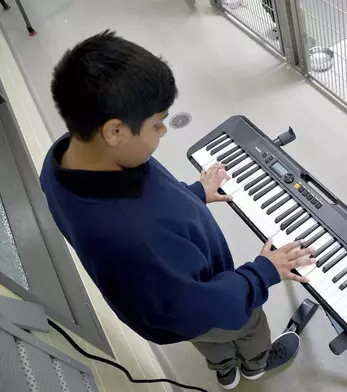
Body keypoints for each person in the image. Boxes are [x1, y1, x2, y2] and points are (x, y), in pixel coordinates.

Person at [40, 30, 315, 390]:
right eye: (157, 124)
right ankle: (254, 364)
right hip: (203, 299)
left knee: (209, 341)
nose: (163, 132)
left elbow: (150, 206)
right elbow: (192, 306)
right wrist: (262, 273)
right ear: (115, 131)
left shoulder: (63, 160)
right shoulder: (132, 237)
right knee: (246, 325)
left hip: (175, 303)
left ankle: (224, 370)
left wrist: (195, 193)